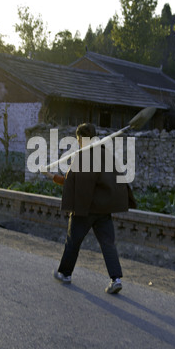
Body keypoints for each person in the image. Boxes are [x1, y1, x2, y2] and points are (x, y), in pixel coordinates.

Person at [43, 123, 136, 294]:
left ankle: (65, 273)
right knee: (108, 244)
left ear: (80, 138)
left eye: (78, 139)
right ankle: (116, 279)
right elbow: (116, 180)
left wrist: (51, 176)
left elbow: (71, 182)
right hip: (103, 210)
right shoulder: (106, 155)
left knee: (73, 241)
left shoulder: (82, 156)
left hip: (84, 209)